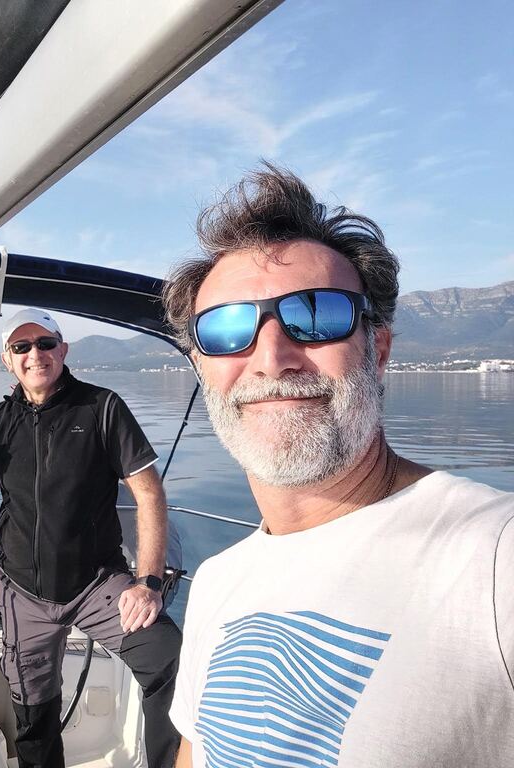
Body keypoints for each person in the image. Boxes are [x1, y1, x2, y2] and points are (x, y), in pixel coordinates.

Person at [162, 163, 514, 767]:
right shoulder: (219, 580)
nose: (272, 357)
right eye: (226, 329)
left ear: (378, 350)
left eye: (317, 314)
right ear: (201, 368)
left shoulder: (493, 558)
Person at [0, 308, 182, 768]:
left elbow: (149, 492)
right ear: (7, 359)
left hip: (97, 584)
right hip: (23, 592)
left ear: (63, 350)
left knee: (168, 661)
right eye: (21, 347)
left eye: (45, 343)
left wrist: (148, 581)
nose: (34, 354)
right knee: (33, 717)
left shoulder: (102, 407)